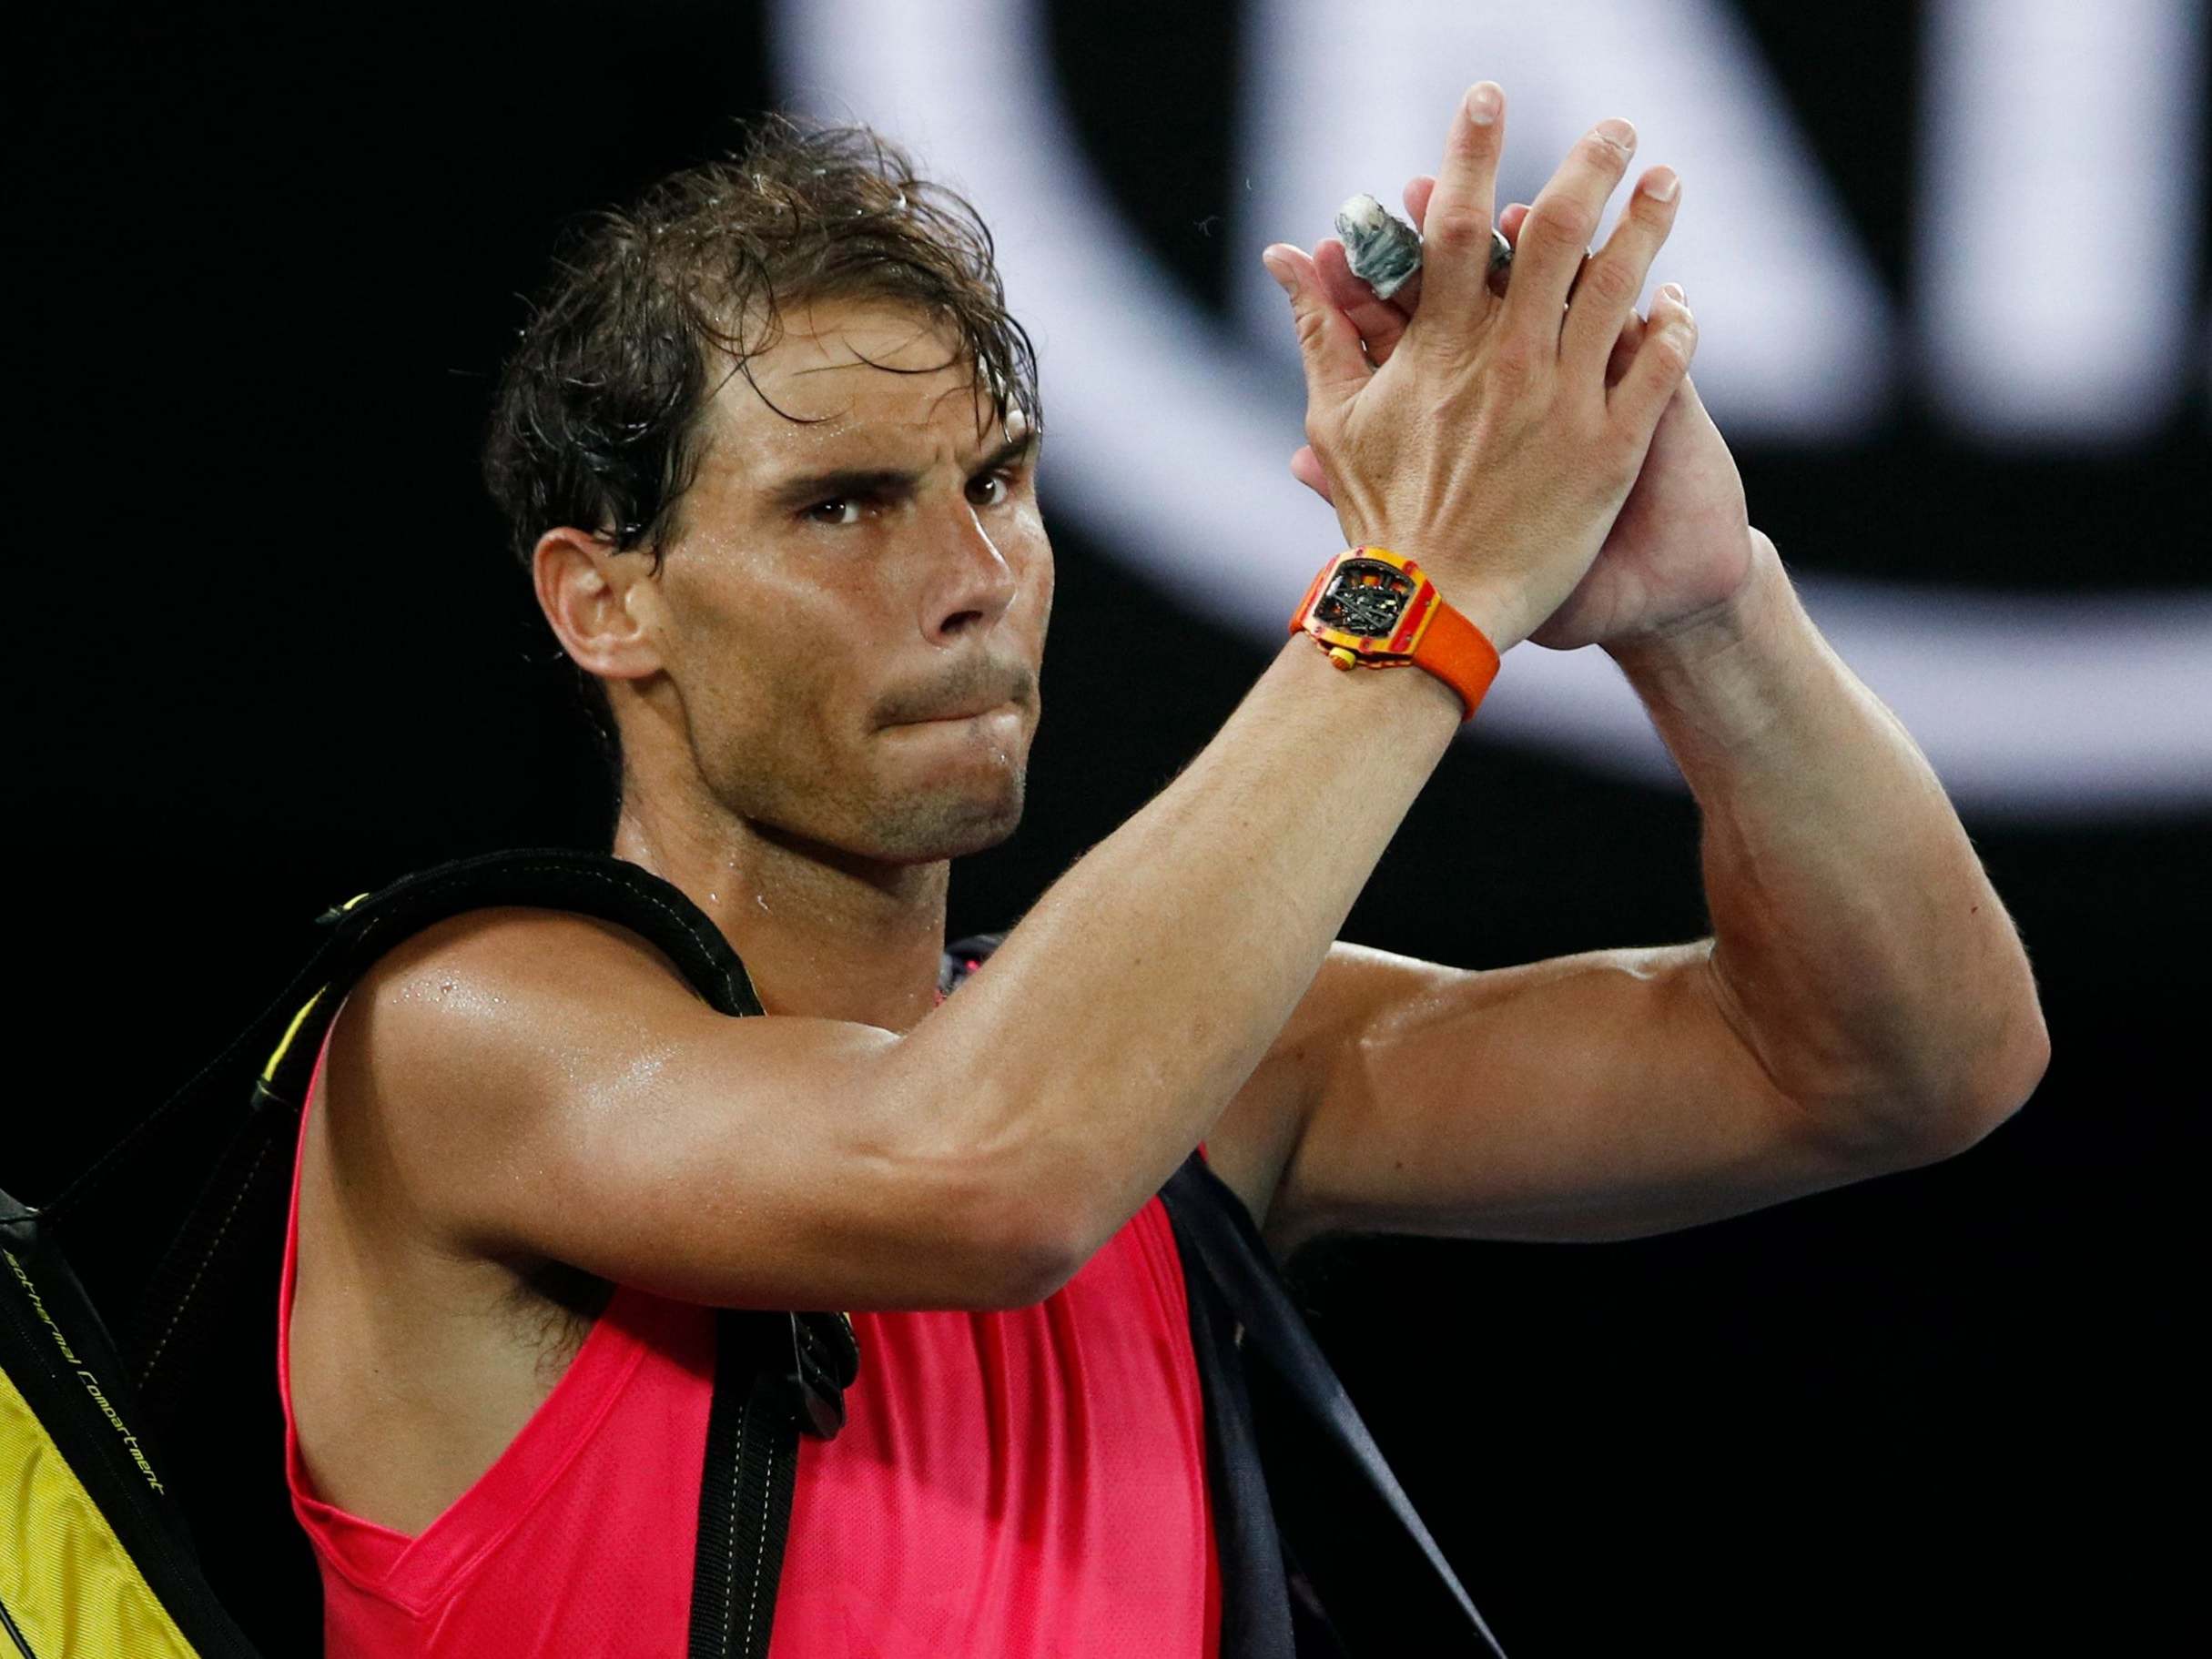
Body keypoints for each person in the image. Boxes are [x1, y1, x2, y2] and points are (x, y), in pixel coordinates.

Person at [277, 83, 2049, 1655]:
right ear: (608, 601)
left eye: (1001, 479)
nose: (972, 571)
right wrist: (1413, 591)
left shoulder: (1209, 1087)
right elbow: (986, 1175)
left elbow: (1900, 1062)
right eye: (843, 506)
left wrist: (1705, 605)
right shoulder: (467, 1031)